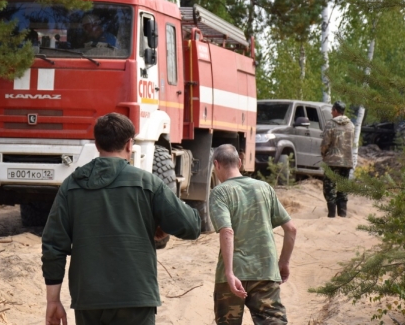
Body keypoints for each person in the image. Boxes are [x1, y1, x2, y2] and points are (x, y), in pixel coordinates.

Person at [41, 112, 201, 325]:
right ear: (129, 144)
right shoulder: (148, 183)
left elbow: (53, 246)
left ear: (97, 144)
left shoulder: (71, 186)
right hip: (136, 297)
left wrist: (53, 301)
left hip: (89, 300)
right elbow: (191, 227)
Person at [209, 144, 297, 325]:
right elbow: (291, 229)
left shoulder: (220, 192)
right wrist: (283, 263)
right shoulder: (264, 188)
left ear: (216, 165)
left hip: (232, 277)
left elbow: (227, 231)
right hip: (265, 272)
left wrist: (229, 273)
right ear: (240, 162)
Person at [320, 101, 355, 218]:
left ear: (335, 111)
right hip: (347, 161)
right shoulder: (351, 125)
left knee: (329, 188)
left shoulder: (330, 124)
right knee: (343, 188)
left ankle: (331, 216)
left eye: (332, 110)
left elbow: (325, 142)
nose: (331, 112)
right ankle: (343, 215)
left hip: (332, 161)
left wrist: (323, 154)